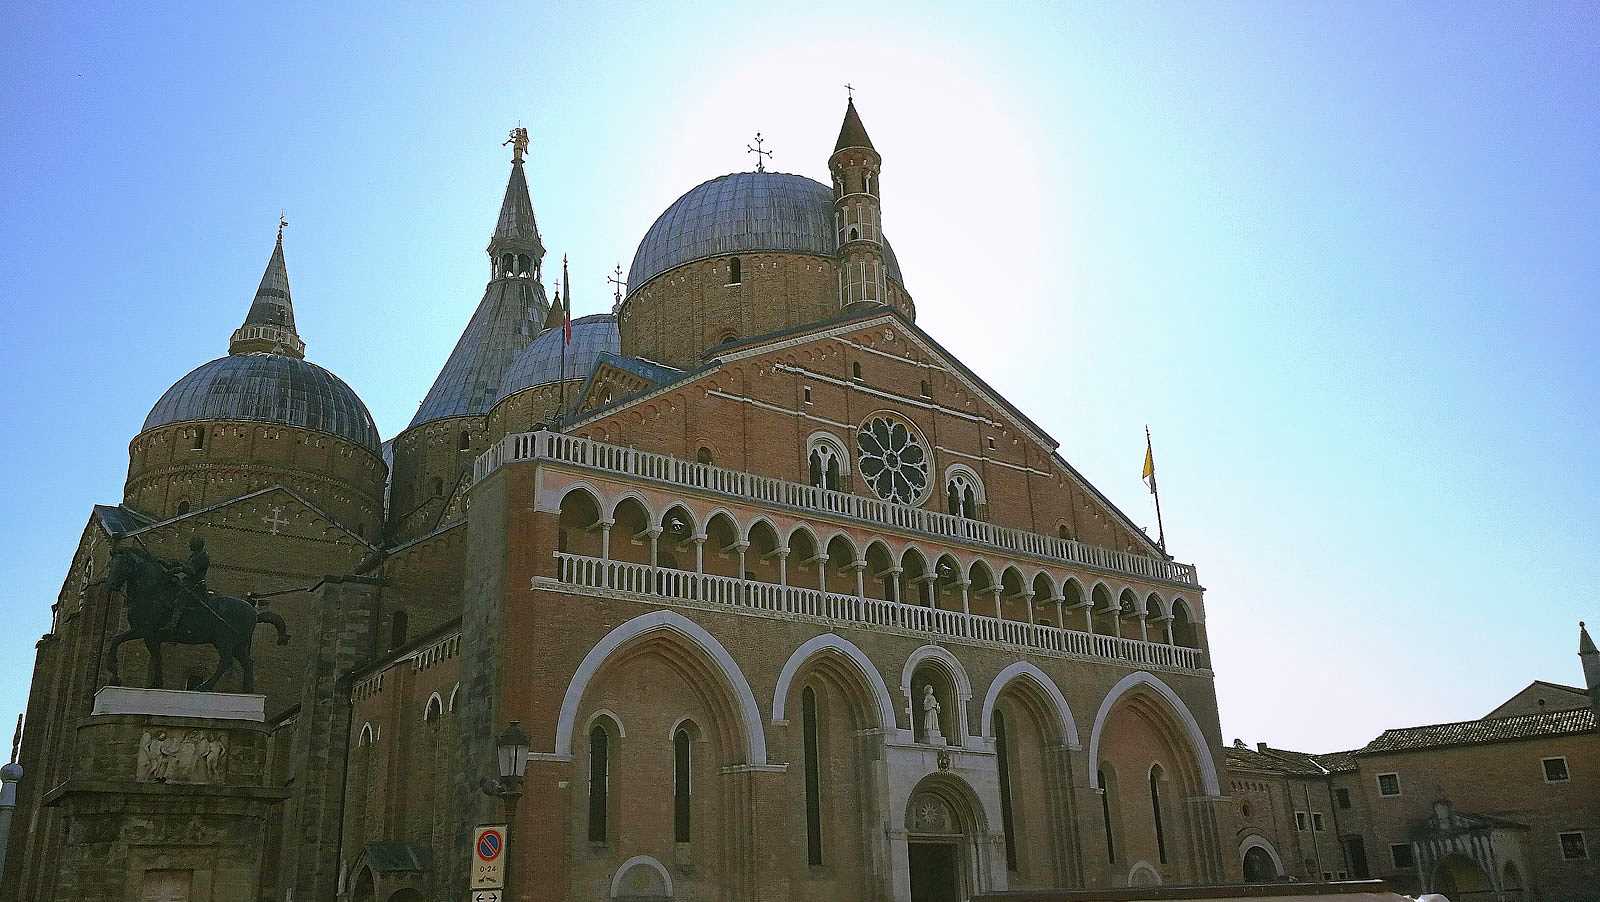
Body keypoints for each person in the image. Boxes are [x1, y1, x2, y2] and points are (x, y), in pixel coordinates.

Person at [163, 536, 210, 630]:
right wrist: (170, 564)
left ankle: (173, 624)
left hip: (195, 585)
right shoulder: (194, 555)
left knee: (180, 599)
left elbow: (191, 570)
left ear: (196, 545)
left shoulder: (203, 557)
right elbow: (186, 565)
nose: (189, 545)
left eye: (191, 544)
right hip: (188, 583)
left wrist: (179, 569)